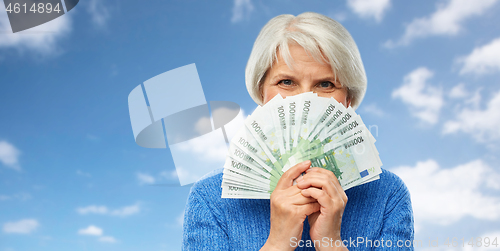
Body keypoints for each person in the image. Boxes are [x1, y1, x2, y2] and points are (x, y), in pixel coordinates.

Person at [182, 12, 414, 250]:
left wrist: (331, 243)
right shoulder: (210, 197)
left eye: (326, 84)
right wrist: (277, 243)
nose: (304, 99)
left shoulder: (387, 195)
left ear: (348, 100)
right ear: (262, 92)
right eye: (287, 82)